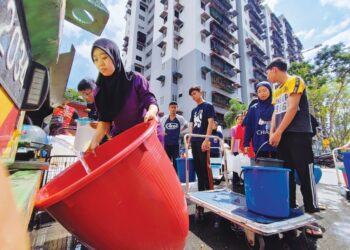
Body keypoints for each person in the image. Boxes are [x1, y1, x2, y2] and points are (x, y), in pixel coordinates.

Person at [267, 58, 322, 237]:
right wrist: (272, 132)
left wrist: (279, 131)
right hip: (282, 137)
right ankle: (290, 208)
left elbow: (292, 108)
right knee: (287, 174)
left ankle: (311, 213)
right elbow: (276, 112)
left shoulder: (295, 81)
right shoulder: (277, 89)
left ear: (274, 70)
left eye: (268, 72)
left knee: (305, 173)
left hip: (299, 134)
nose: (267, 76)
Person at [87, 38, 160, 152]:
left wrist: (151, 112)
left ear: (114, 56)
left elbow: (150, 99)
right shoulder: (100, 92)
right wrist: (94, 142)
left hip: (145, 132)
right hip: (122, 138)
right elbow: (104, 122)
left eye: (104, 57)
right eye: (95, 59)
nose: (100, 63)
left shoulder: (135, 79)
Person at [188, 85, 215, 221]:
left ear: (200, 92)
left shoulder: (208, 106)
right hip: (195, 142)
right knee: (198, 170)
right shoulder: (194, 110)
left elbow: (210, 124)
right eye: (191, 94)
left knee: (205, 170)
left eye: (195, 93)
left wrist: (206, 139)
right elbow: (192, 125)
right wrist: (189, 139)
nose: (193, 96)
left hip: (204, 141)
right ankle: (200, 202)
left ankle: (209, 198)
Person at [243, 81, 276, 157]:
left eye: (264, 90)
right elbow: (249, 128)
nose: (262, 93)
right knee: (262, 167)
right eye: (259, 91)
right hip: (259, 144)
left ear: (270, 91)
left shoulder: (275, 105)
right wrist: (246, 143)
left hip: (275, 144)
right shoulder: (253, 108)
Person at [161, 102, 188, 171]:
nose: (173, 109)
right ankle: (167, 176)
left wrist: (180, 130)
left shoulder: (180, 118)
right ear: (169, 108)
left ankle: (176, 177)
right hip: (166, 143)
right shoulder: (164, 118)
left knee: (176, 162)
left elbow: (186, 125)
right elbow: (159, 125)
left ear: (177, 108)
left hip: (176, 144)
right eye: (172, 107)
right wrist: (162, 131)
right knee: (166, 161)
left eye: (175, 107)